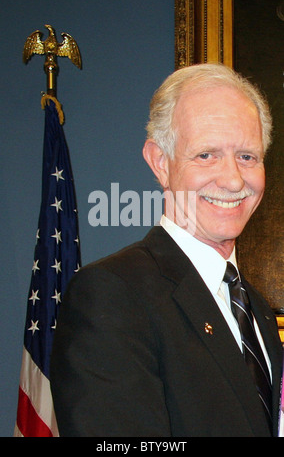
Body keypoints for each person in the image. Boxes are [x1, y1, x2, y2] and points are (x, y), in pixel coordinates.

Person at [50, 63, 283, 437]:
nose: (233, 179)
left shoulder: (258, 312)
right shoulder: (113, 294)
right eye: (206, 155)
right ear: (161, 163)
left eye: (247, 156)